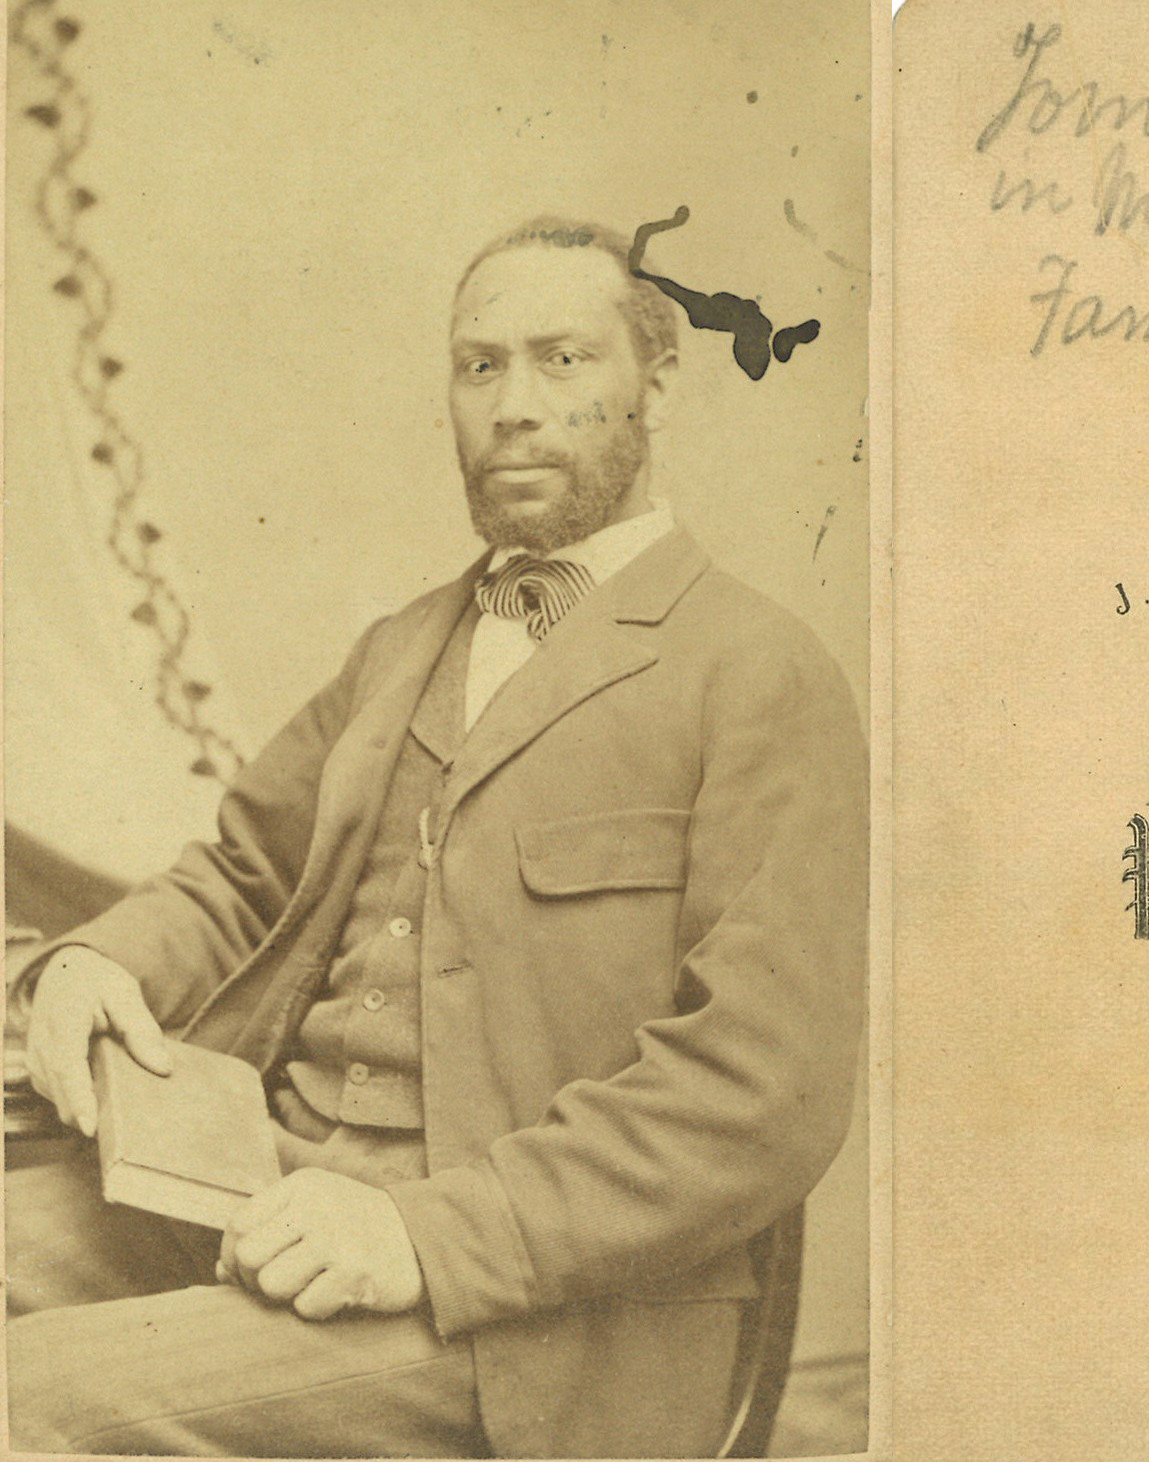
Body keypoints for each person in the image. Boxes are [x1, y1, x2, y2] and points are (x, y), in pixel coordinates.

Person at [5, 216, 868, 1458]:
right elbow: (244, 876)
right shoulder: (401, 649)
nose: (513, 406)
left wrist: (422, 1236)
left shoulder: (759, 675)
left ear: (658, 385)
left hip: (526, 1315)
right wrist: (95, 963)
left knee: (24, 1400)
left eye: (562, 362)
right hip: (248, 1193)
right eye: (479, 367)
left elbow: (761, 1093)